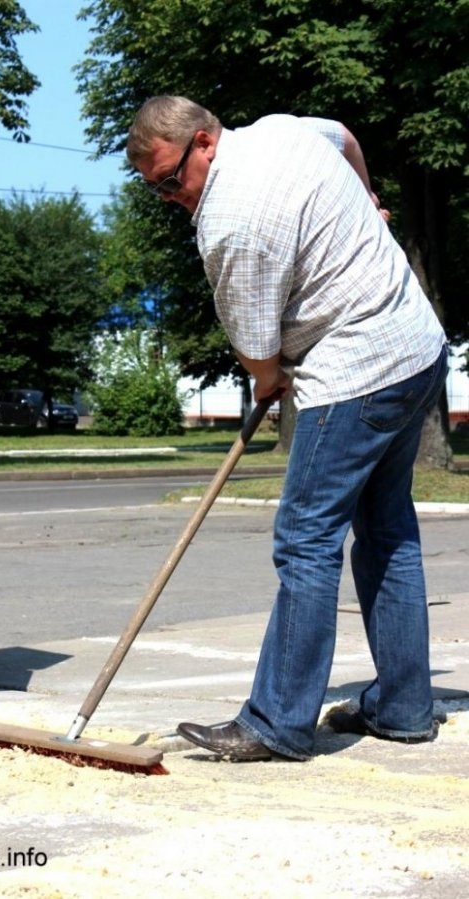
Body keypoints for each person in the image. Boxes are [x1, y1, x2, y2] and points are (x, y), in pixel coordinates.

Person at [126, 95, 448, 762]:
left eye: (170, 180)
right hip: (417, 351)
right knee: (387, 529)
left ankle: (277, 721)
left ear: (205, 142)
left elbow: (258, 355)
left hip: (355, 371)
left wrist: (268, 380)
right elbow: (348, 137)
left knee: (306, 538)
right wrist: (369, 203)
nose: (167, 197)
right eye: (153, 188)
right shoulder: (281, 131)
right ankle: (407, 707)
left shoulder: (229, 224)